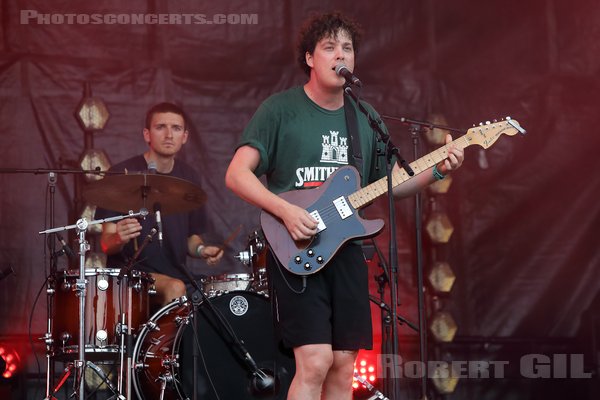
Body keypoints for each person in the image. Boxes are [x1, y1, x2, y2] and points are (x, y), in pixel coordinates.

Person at [225, 12, 464, 400]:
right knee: (315, 361)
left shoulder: (364, 117)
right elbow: (237, 175)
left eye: (348, 48)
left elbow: (390, 185)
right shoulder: (279, 110)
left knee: (342, 365)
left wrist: (437, 169)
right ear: (309, 58)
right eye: (330, 47)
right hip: (297, 247)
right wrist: (286, 211)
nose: (341, 55)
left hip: (347, 250)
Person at [96, 102, 224, 306]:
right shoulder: (122, 174)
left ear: (185, 137)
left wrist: (201, 250)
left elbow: (191, 238)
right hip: (132, 277)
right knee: (175, 288)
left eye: (176, 128)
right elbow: (106, 244)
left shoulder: (189, 178)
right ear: (147, 134)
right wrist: (119, 237)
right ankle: (166, 340)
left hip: (178, 276)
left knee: (220, 296)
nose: (169, 135)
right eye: (160, 127)